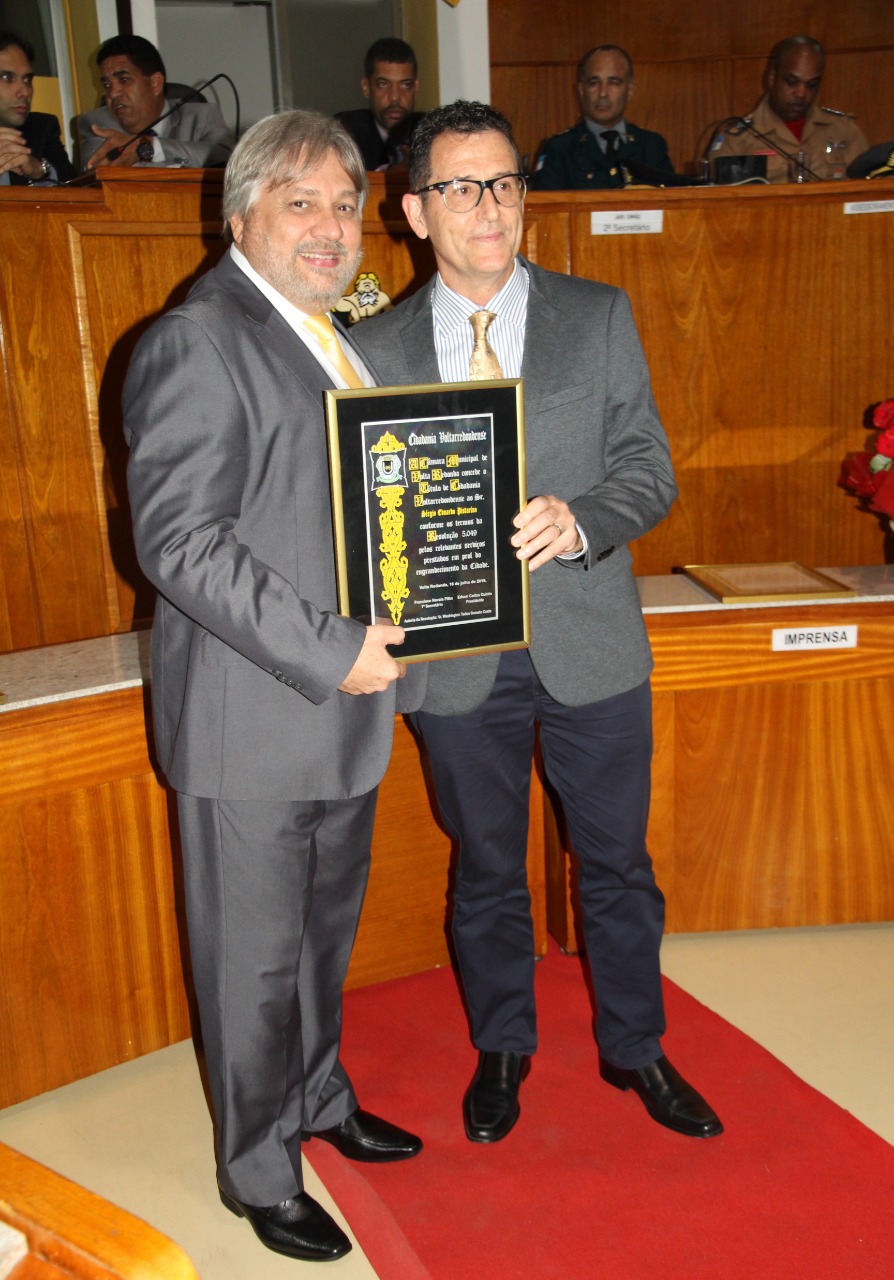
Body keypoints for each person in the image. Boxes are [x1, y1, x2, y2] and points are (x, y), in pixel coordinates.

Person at [353, 100, 722, 1147]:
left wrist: (586, 519)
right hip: (454, 662)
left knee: (618, 865)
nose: (490, 206)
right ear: (416, 210)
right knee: (485, 867)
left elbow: (648, 468)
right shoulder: (369, 350)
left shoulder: (596, 315)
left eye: (506, 183)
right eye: (462, 186)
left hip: (591, 643)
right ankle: (504, 1045)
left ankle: (637, 1047)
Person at [123, 109, 424, 1264]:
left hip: (339, 705)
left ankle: (318, 1094)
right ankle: (256, 1165)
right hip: (252, 717)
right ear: (240, 213)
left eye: (345, 203)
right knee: (250, 965)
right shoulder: (199, 338)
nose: (331, 226)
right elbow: (181, 544)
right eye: (301, 202)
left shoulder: (331, 335)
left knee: (317, 944)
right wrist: (331, 645)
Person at [709, 35, 869, 182]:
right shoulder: (737, 141)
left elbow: (870, 191)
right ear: (772, 78)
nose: (801, 93)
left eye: (811, 85)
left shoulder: (844, 131)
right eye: (792, 82)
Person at [78, 34, 233, 171]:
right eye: (107, 85)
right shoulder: (98, 124)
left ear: (155, 83)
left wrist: (149, 147)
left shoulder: (202, 116)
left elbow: (228, 160)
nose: (112, 93)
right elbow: (96, 172)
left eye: (124, 80)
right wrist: (183, 167)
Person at [530, 45, 672, 189]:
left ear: (630, 90)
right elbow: (545, 202)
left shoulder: (652, 147)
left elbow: (673, 200)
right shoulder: (559, 149)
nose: (603, 93)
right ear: (581, 90)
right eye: (594, 83)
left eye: (613, 82)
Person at [335, 37, 424, 170]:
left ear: (415, 88)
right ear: (366, 87)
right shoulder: (345, 133)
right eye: (383, 84)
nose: (395, 97)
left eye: (405, 85)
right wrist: (392, 173)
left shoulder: (430, 132)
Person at [0, 30, 75, 185]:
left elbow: (75, 187)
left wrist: (39, 170)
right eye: (7, 78)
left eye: (27, 80)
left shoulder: (41, 128)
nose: (25, 92)